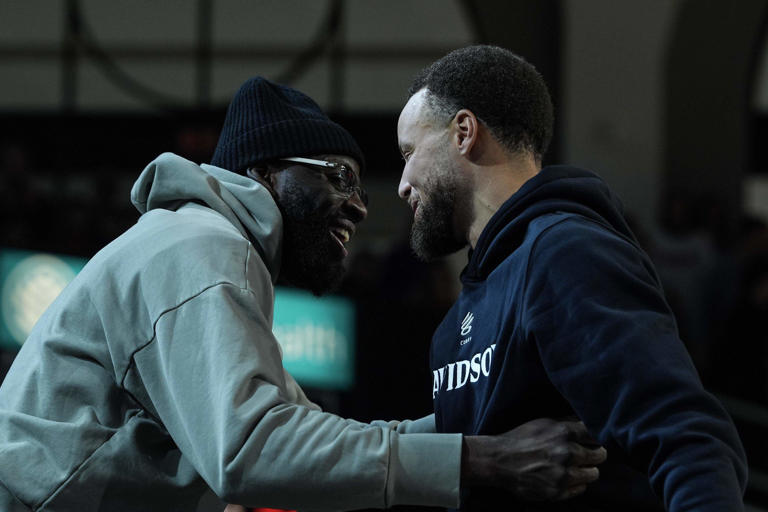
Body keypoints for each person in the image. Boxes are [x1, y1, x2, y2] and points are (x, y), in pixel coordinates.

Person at [0, 76, 606, 512]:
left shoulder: (210, 249)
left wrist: (479, 423)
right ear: (263, 173)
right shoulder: (200, 246)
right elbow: (253, 452)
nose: (362, 203)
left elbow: (313, 440)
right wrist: (483, 460)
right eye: (338, 176)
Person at [396, 45, 748, 511]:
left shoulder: (564, 254)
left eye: (409, 152)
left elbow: (686, 437)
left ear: (464, 132)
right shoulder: (456, 321)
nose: (402, 183)